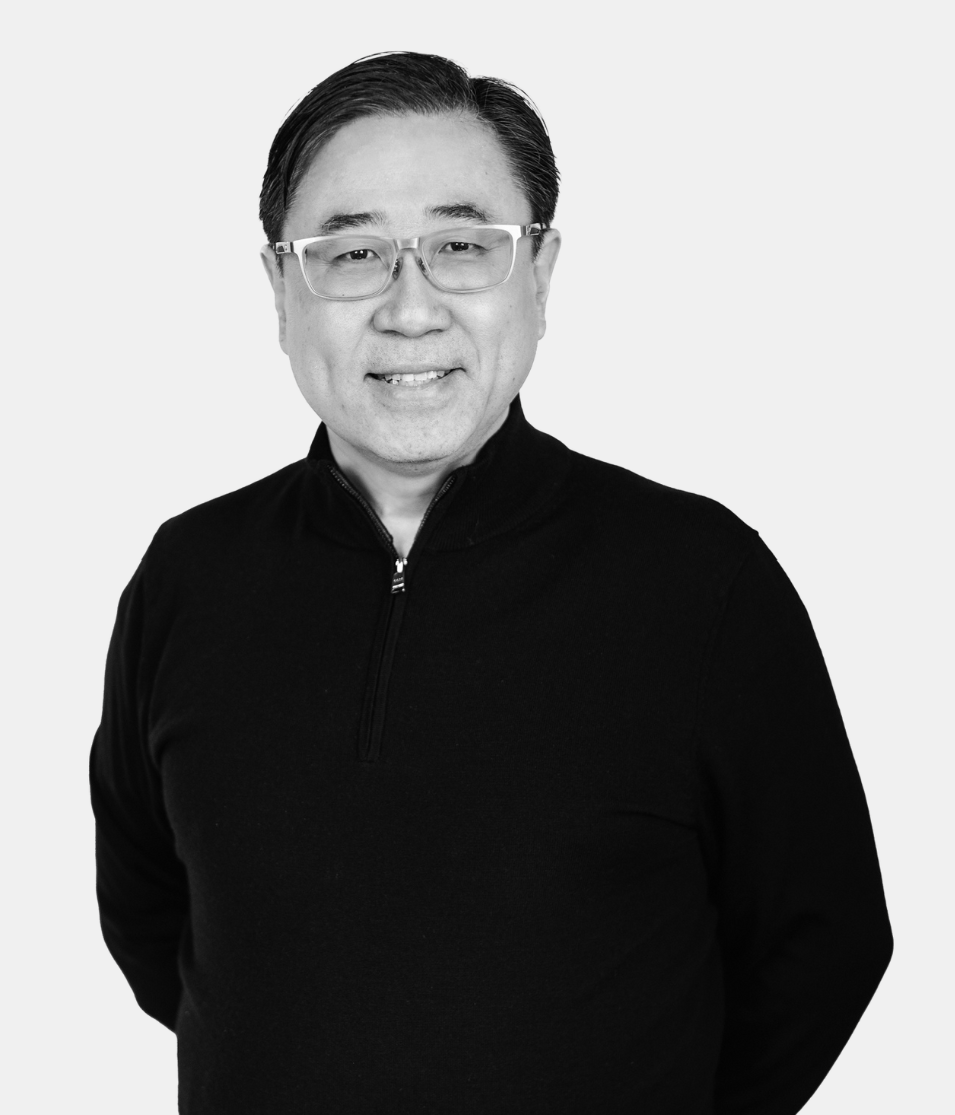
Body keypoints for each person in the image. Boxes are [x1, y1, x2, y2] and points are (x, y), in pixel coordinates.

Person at [89, 51, 893, 1114]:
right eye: (353, 252)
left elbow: (825, 939)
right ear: (281, 288)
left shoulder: (702, 581)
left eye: (462, 246)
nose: (409, 308)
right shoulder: (189, 576)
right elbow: (156, 922)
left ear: (539, 275)